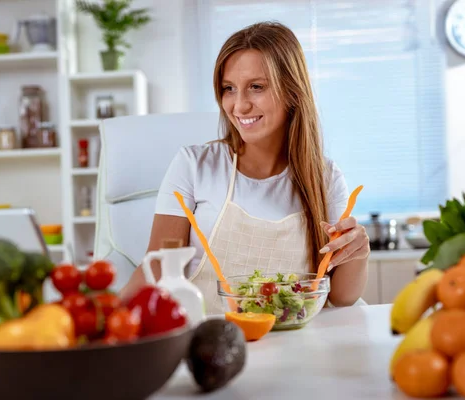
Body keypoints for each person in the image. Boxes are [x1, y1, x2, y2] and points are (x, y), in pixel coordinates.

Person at [120, 21, 370, 313]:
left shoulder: (325, 178)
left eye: (256, 87)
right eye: (229, 89)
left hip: (295, 342)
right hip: (209, 339)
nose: (239, 106)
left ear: (291, 91)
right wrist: (105, 315)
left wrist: (359, 253)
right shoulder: (194, 167)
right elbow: (158, 269)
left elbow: (341, 297)